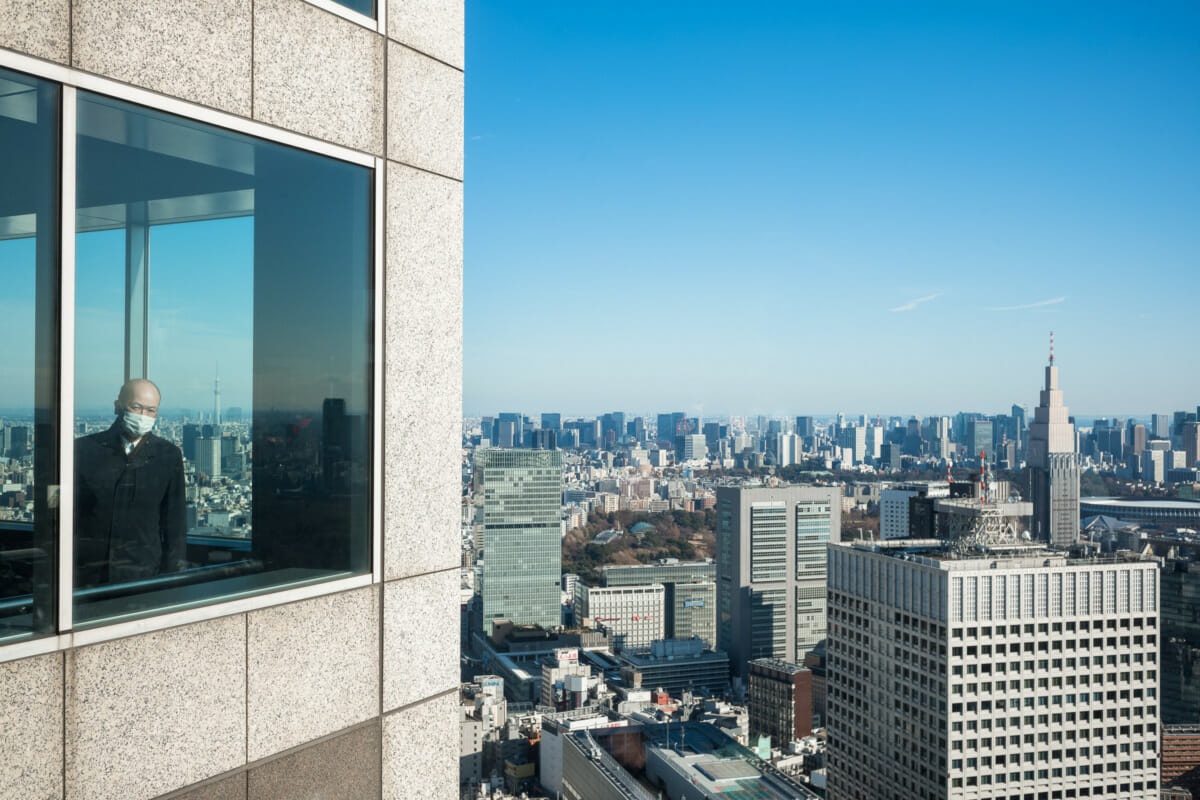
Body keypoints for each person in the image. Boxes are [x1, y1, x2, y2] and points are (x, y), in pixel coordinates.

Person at [75, 379, 187, 588]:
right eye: (136, 407)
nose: (142, 416)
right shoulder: (84, 450)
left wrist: (173, 578)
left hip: (142, 574)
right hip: (88, 573)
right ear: (117, 406)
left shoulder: (168, 455)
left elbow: (175, 522)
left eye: (150, 410)